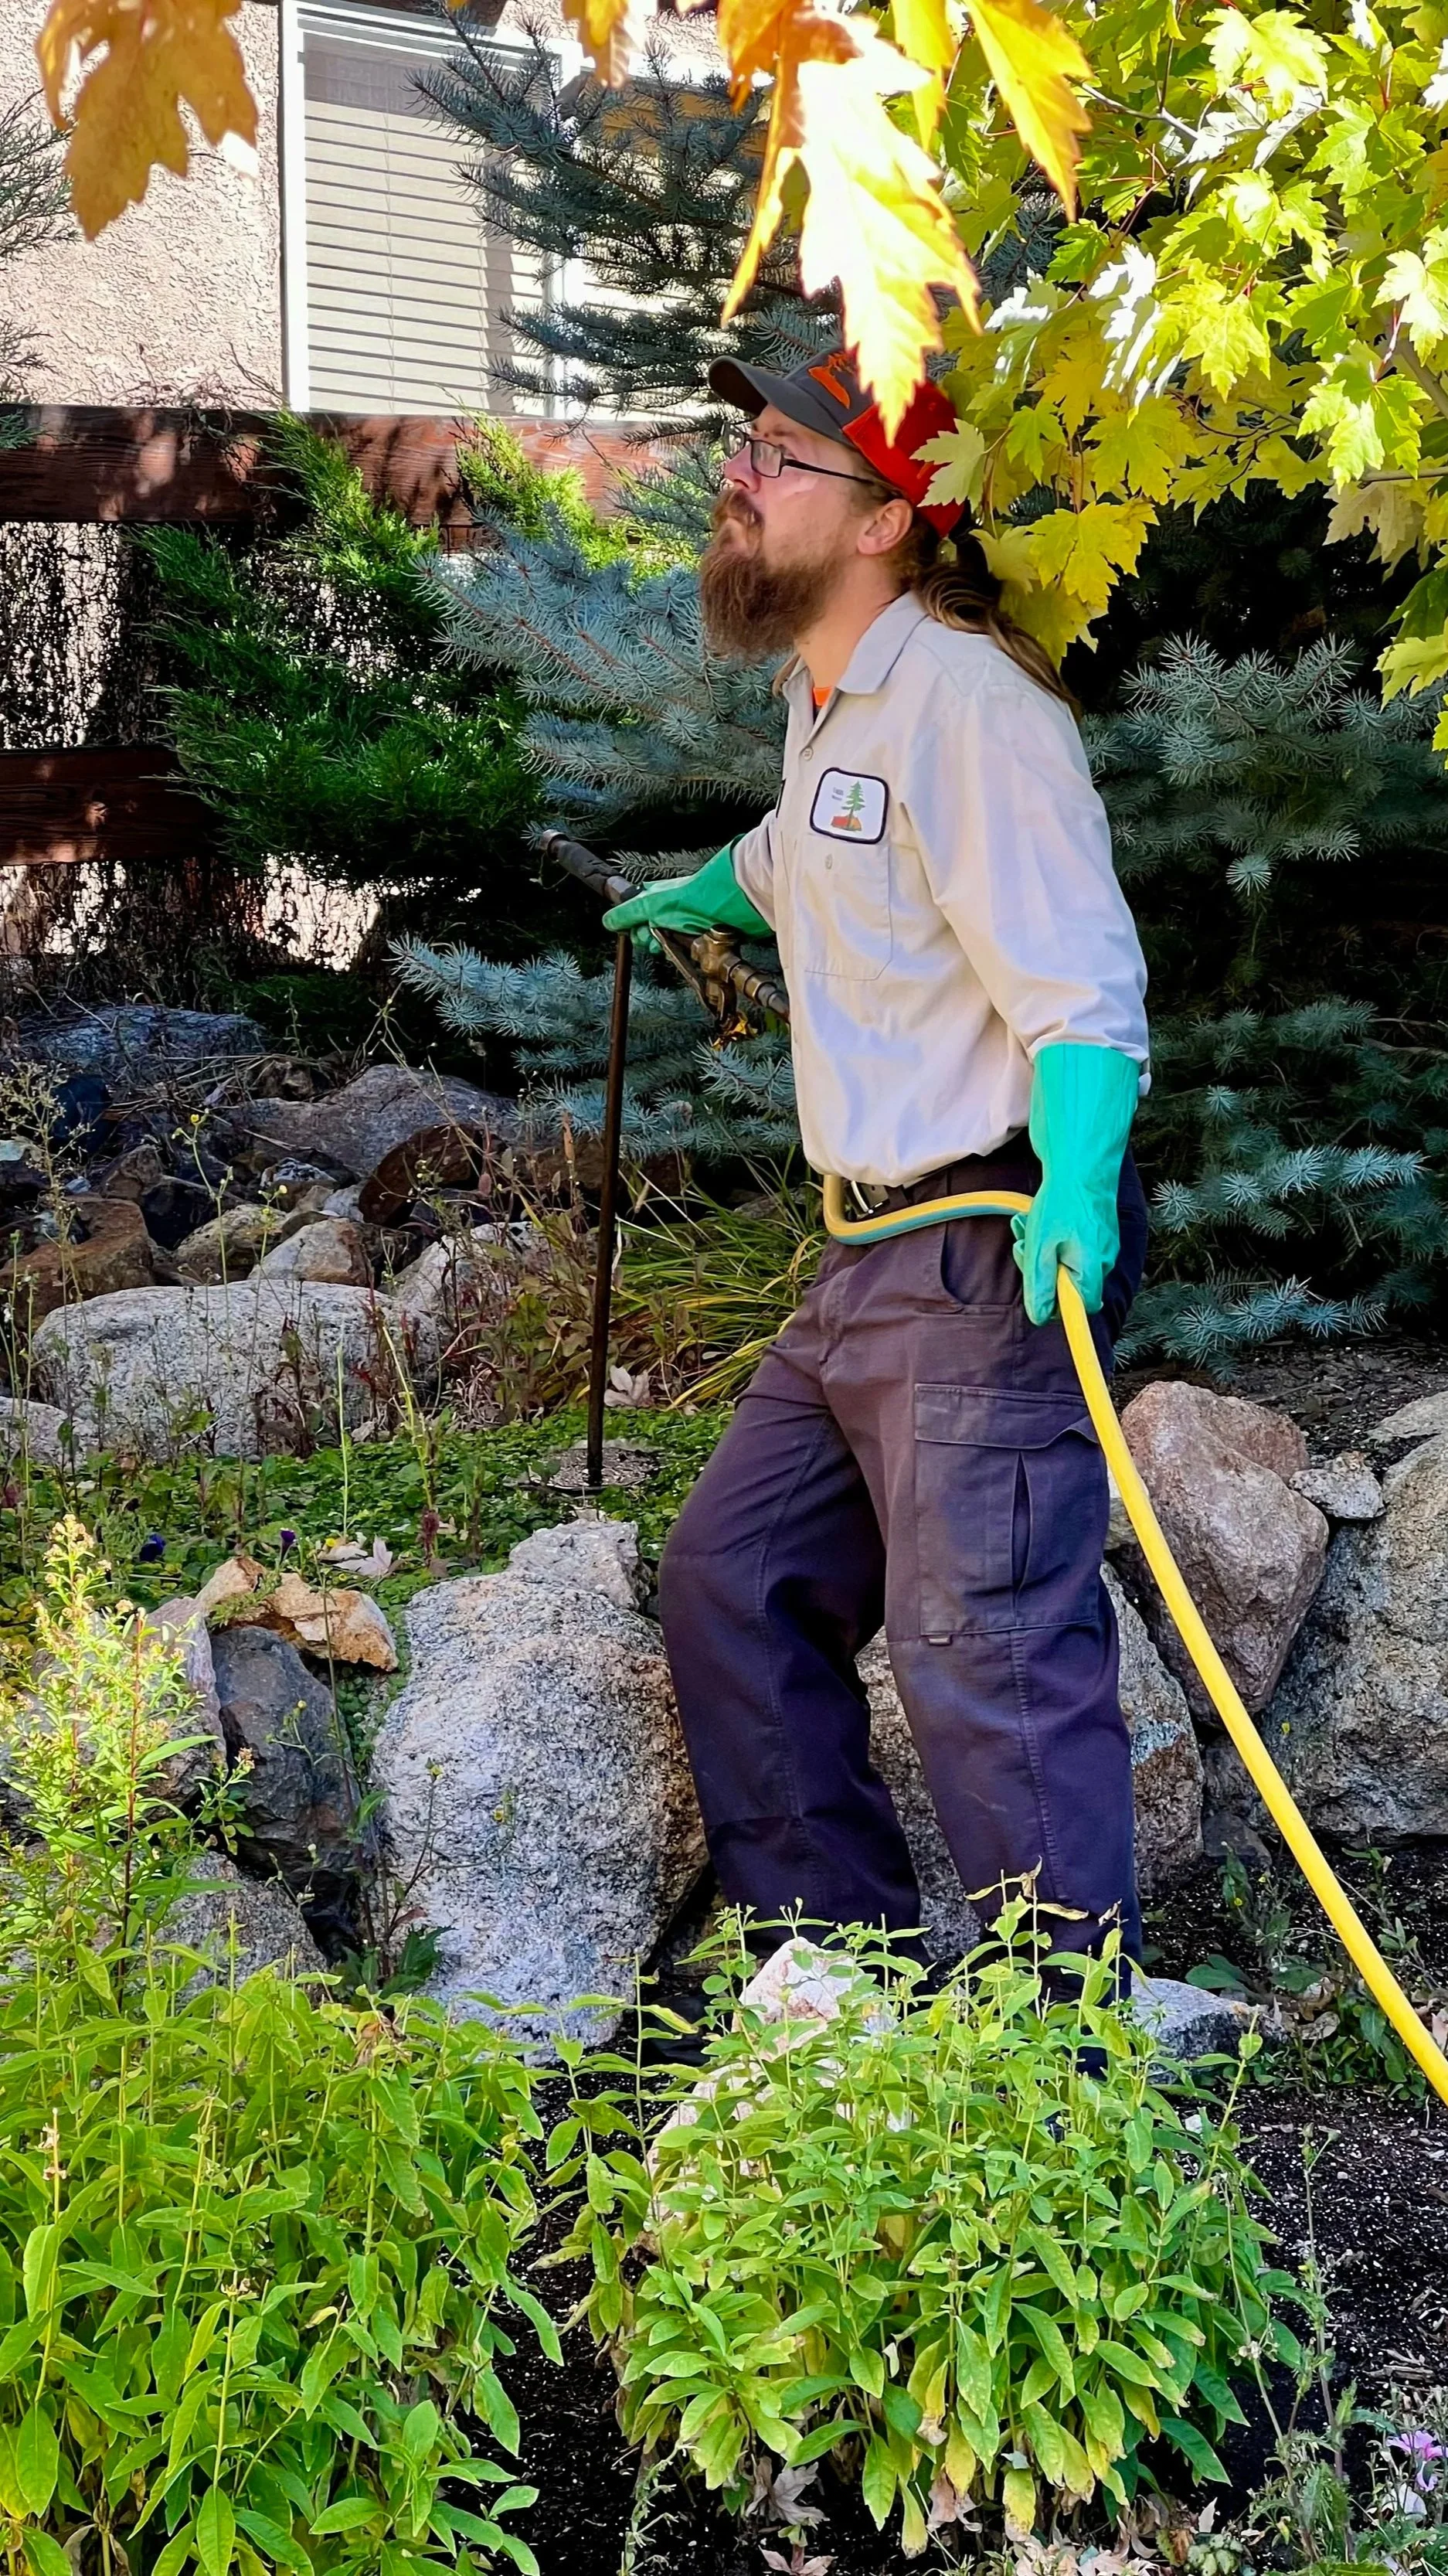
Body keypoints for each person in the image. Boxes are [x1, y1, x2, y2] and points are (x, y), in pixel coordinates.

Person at [603, 348, 1151, 1975]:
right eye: (747, 443)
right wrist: (710, 887)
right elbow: (818, 848)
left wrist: (1077, 1182)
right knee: (735, 1580)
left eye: (782, 456)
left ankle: (1065, 2049)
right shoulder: (827, 691)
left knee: (982, 1646)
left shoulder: (970, 707)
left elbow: (1081, 992)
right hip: (864, 1257)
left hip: (988, 1246)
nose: (740, 474)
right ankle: (834, 1983)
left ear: (884, 521)